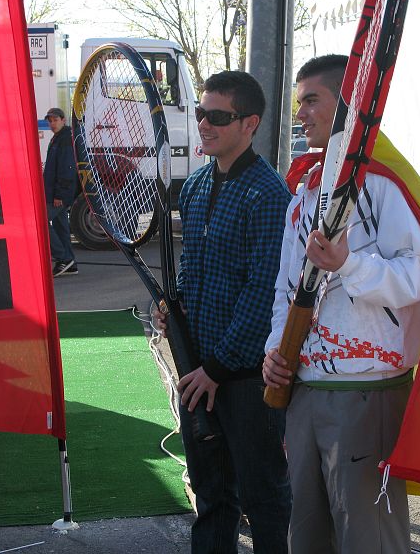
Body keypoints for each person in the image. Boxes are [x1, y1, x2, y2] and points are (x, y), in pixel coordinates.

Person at [262, 54, 420, 553]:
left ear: (348, 103)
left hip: (367, 391)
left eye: (311, 101)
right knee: (308, 535)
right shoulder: (305, 191)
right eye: (298, 103)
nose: (301, 114)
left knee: (368, 537)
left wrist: (348, 265)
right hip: (303, 390)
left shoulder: (383, 184)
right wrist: (277, 351)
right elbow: (286, 286)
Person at [154, 71, 292, 553]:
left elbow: (264, 293)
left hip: (247, 380)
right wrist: (174, 309)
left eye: (217, 116)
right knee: (212, 497)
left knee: (265, 498)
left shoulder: (271, 194)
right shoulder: (193, 188)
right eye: (201, 114)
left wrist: (216, 367)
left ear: (249, 123)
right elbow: (194, 268)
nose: (204, 124)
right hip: (200, 372)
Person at [43, 107, 78, 277]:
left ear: (63, 120)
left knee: (41, 222)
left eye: (55, 120)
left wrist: (59, 195)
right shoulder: (58, 138)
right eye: (50, 121)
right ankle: (70, 264)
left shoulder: (65, 139)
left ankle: (62, 257)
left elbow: (66, 169)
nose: (52, 123)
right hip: (55, 194)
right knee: (61, 226)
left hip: (59, 195)